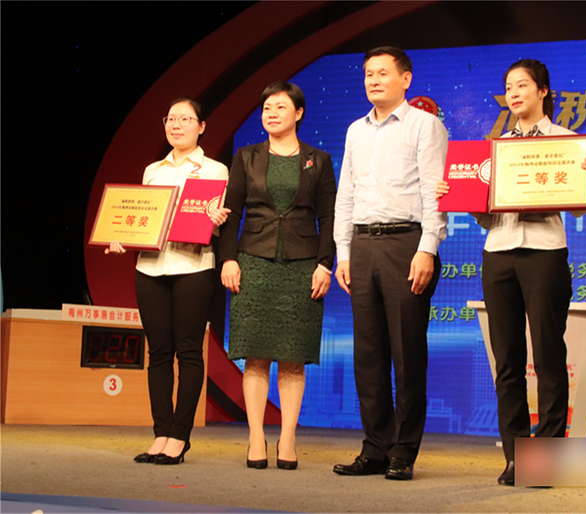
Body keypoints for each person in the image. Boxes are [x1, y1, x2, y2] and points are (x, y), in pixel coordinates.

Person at [436, 59, 586, 486]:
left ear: (543, 91)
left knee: (548, 355)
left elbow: (578, 206)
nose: (513, 93)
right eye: (509, 87)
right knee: (506, 360)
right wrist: (459, 195)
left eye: (522, 85)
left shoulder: (567, 142)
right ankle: (515, 456)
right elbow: (486, 215)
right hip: (498, 252)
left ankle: (544, 458)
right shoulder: (494, 148)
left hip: (544, 252)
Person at [332, 46, 448, 481]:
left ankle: (403, 449)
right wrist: (344, 252)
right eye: (368, 74)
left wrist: (427, 248)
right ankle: (375, 447)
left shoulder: (425, 125)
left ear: (406, 79)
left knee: (406, 351)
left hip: (407, 243)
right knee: (368, 354)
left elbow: (436, 192)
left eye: (383, 73)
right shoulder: (355, 130)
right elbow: (346, 193)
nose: (374, 80)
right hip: (362, 244)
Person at [218, 82, 336, 470]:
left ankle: (287, 438)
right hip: (252, 262)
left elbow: (329, 218)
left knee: (293, 358)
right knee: (255, 356)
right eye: (266, 107)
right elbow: (232, 212)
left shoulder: (318, 160)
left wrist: (324, 263)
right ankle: (256, 436)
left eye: (280, 107)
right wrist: (228, 259)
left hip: (302, 266)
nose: (271, 113)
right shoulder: (246, 156)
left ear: (298, 113)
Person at [106, 97, 230, 465]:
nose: (177, 125)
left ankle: (179, 436)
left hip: (193, 266)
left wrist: (217, 221)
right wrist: (120, 235)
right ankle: (160, 433)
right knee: (158, 352)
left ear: (201, 126)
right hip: (150, 268)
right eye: (171, 118)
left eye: (186, 119)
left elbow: (214, 223)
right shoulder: (152, 171)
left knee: (188, 351)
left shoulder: (216, 170)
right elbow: (142, 218)